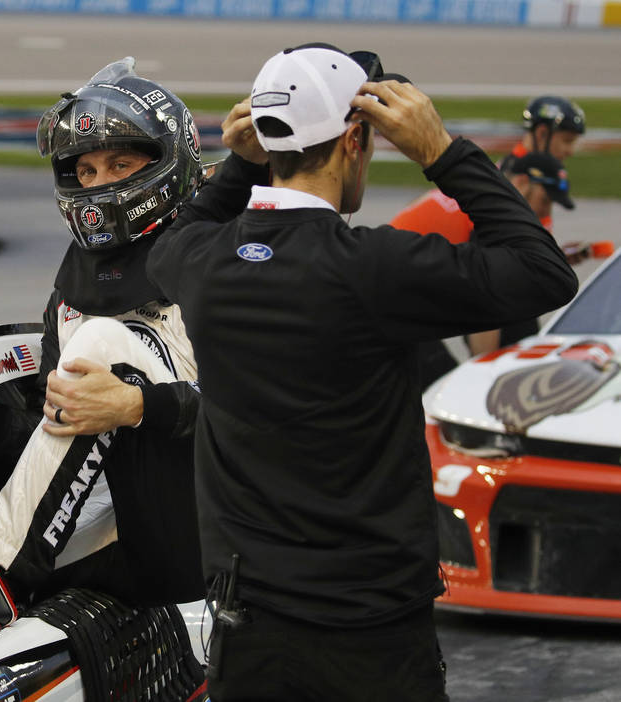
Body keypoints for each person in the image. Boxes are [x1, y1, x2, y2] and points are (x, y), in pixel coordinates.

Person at [147, 43, 578, 701]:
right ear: (355, 139)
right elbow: (544, 272)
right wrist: (444, 152)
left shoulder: (200, 261)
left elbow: (177, 234)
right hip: (369, 630)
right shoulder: (375, 268)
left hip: (247, 627)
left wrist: (240, 165)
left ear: (265, 139)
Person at [0, 58, 205, 607]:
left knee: (101, 344)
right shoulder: (70, 292)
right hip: (95, 529)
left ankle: (0, 572)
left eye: (119, 164)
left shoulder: (225, 261)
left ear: (167, 163)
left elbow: (271, 422)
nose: (98, 184)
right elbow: (42, 447)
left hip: (206, 527)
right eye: (86, 172)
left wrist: (138, 405)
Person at [389, 151, 576, 386]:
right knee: (442, 386)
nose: (547, 213)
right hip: (397, 292)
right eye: (545, 201)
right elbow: (485, 303)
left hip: (417, 276)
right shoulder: (492, 217)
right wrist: (482, 382)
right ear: (521, 183)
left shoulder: (491, 197)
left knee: (520, 314)